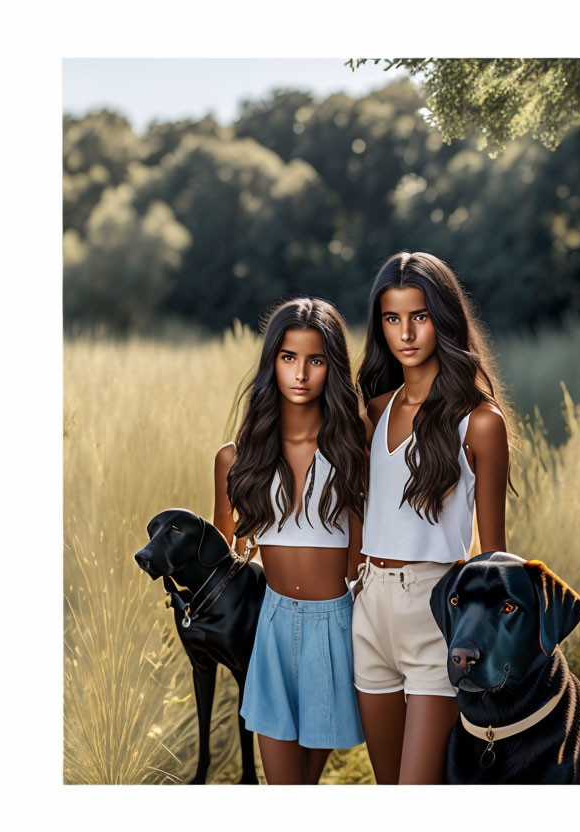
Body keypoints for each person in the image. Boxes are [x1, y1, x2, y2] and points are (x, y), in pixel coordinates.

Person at [352, 251, 518, 784]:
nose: (405, 333)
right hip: (368, 606)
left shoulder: (480, 422)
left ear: (442, 320)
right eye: (391, 318)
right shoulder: (374, 411)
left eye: (419, 316)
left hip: (435, 610)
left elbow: (494, 555)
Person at [213, 297, 366, 785]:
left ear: (332, 367)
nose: (301, 373)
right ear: (272, 364)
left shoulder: (353, 446)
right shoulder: (235, 460)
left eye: (316, 360)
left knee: (305, 788)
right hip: (272, 626)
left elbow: (361, 557)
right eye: (288, 358)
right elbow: (228, 561)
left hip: (337, 626)